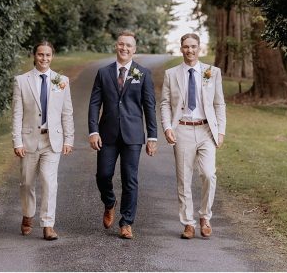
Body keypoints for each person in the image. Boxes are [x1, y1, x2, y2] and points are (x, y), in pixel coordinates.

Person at [88, 31, 158, 239]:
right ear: (116, 46)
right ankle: (109, 202)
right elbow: (94, 104)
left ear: (134, 49)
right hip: (107, 134)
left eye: (129, 45)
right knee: (103, 175)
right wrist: (93, 130)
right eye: (121, 44)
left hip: (133, 135)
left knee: (130, 179)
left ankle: (126, 222)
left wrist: (152, 137)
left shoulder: (143, 73)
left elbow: (149, 106)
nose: (124, 48)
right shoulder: (103, 73)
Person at [160, 33, 226, 239]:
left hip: (206, 130)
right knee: (184, 178)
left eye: (194, 46)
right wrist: (167, 128)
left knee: (208, 174)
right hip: (182, 129)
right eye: (186, 47)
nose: (190, 50)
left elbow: (219, 103)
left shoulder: (212, 72)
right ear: (181, 49)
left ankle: (205, 216)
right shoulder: (171, 74)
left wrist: (221, 130)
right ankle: (188, 223)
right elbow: (164, 103)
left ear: (200, 48)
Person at [11, 41, 75, 240]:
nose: (44, 59)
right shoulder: (21, 81)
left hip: (52, 140)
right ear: (34, 55)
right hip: (29, 140)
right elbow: (17, 114)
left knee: (49, 182)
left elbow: (67, 112)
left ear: (52, 56)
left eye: (48, 55)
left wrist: (68, 139)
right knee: (27, 183)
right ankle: (28, 214)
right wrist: (17, 141)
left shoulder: (61, 80)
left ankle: (48, 224)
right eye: (40, 55)